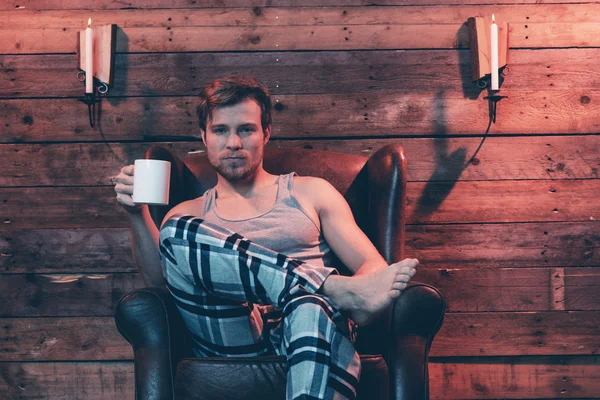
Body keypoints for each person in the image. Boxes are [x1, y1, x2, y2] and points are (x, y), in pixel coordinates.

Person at [113, 74, 419, 400]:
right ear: (204, 136)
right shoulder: (187, 214)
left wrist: (331, 300)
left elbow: (373, 268)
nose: (234, 143)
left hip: (310, 320)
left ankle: (317, 292)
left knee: (310, 304)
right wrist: (137, 213)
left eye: (246, 129)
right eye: (221, 130)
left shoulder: (311, 192)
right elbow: (162, 285)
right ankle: (326, 285)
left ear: (265, 133)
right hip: (230, 332)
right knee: (175, 232)